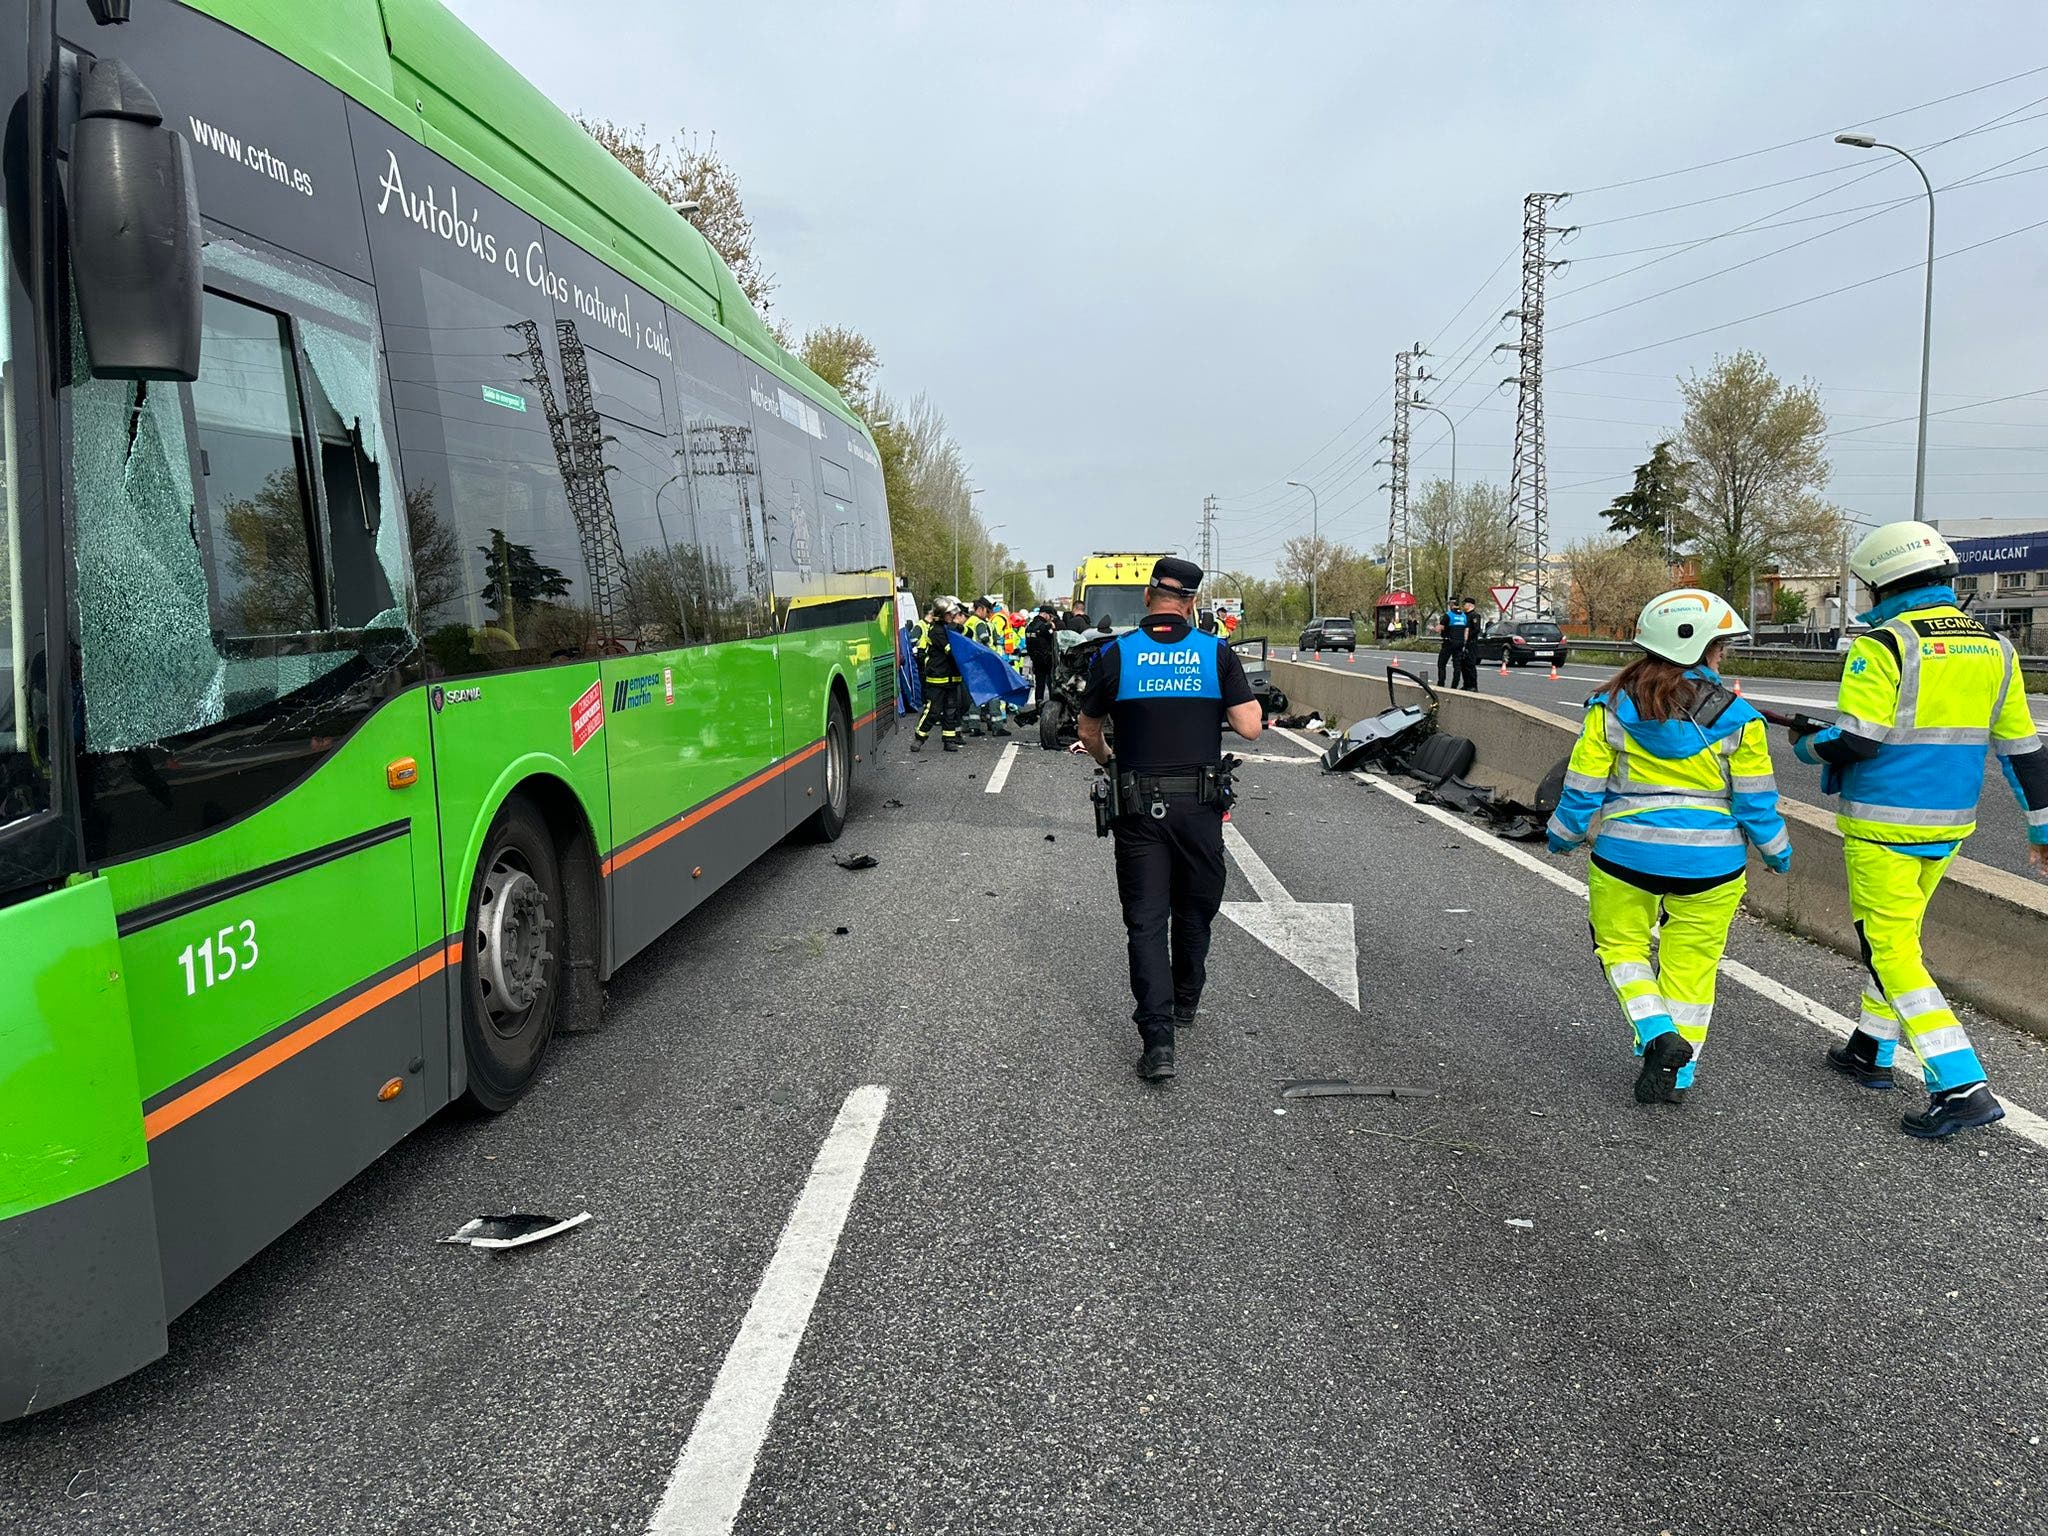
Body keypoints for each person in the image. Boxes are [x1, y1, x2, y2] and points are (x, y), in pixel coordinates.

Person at [1787, 521, 2048, 1138]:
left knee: (1890, 949)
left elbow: (1857, 739)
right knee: (1899, 936)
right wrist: (2042, 831)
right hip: (1950, 827)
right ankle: (1871, 1050)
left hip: (1884, 827)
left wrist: (1804, 748)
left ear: (1881, 583)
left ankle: (1961, 1084)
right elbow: (2024, 751)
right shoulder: (1995, 648)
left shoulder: (1884, 645)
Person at [1546, 588, 1791, 1106]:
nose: (1722, 656)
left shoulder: (1608, 706)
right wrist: (1776, 852)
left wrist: (1563, 836)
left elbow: (1583, 788)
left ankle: (1656, 1032)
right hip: (1714, 864)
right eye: (1720, 647)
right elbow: (1756, 803)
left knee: (1621, 949)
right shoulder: (1741, 718)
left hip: (1625, 857)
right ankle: (1677, 1080)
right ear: (1702, 648)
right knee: (1694, 966)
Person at [1077, 557, 1264, 1083]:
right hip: (1200, 810)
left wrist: (1109, 759)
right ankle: (1186, 999)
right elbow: (1250, 727)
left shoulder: (1116, 655)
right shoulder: (1215, 653)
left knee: (1145, 921)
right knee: (1195, 909)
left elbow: (1088, 729)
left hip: (1138, 810)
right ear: (1192, 603)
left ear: (1147, 598)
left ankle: (1158, 1042)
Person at [911, 601, 965, 752]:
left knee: (951, 710)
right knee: (933, 710)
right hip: (937, 678)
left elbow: (967, 633)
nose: (952, 616)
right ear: (942, 615)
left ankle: (949, 740)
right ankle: (919, 738)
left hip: (952, 678)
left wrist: (959, 627)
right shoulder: (936, 631)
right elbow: (951, 650)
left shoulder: (949, 628)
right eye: (949, 614)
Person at [1024, 604, 1059, 707]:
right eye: (1051, 616)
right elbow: (1053, 640)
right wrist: (1053, 628)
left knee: (1039, 684)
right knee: (1051, 684)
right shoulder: (1045, 626)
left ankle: (1038, 705)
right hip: (1047, 660)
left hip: (1035, 659)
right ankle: (1053, 707)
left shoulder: (1029, 626)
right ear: (1045, 615)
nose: (1051, 619)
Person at [1436, 598, 1471, 687]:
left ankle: (1441, 683)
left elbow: (1439, 628)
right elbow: (1466, 631)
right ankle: (1454, 685)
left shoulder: (1448, 615)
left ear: (1452, 605)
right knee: (1457, 665)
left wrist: (1433, 628)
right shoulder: (1464, 616)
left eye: (1449, 604)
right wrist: (1464, 642)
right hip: (1460, 643)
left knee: (1441, 663)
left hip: (1449, 642)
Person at [1456, 599, 1484, 691]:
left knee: (1470, 665)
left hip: (1471, 643)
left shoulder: (1475, 616)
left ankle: (1473, 685)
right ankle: (1466, 684)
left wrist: (1467, 636)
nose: (1464, 606)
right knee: (1463, 665)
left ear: (1470, 605)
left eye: (1465, 604)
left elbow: (1476, 630)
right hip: (1463, 643)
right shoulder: (1464, 615)